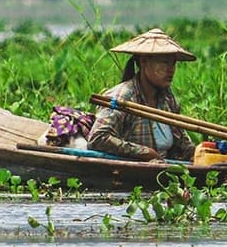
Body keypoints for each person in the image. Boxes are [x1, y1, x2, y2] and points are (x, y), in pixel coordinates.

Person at [84, 29, 198, 162]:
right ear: (143, 62)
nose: (171, 69)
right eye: (164, 62)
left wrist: (198, 152)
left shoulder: (167, 98)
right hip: (128, 173)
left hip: (164, 172)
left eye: (173, 63)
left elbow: (182, 142)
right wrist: (143, 152)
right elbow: (98, 138)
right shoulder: (122, 97)